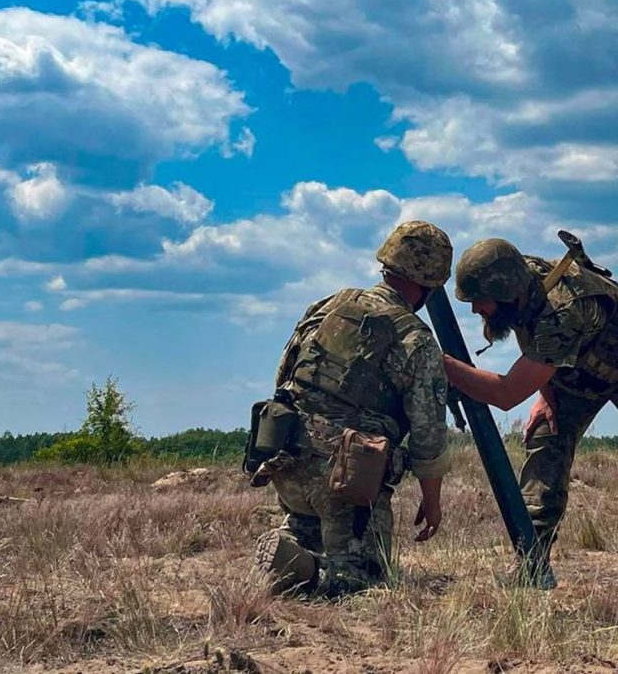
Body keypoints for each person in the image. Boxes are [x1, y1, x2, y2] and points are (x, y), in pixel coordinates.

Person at [253, 221, 453, 597]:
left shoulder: (330, 303)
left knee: (306, 527)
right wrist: (432, 501)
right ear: (431, 282)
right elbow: (428, 435)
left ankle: (293, 550)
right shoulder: (416, 338)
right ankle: (313, 574)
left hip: (286, 458)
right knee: (364, 580)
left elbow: (286, 372)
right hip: (348, 478)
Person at [444, 238, 618, 584]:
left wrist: (440, 363)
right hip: (581, 371)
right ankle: (532, 567)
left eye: (480, 300)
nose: (476, 309)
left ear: (505, 293)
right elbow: (533, 335)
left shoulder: (565, 310)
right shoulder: (522, 277)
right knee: (545, 439)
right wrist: (545, 389)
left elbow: (506, 394)